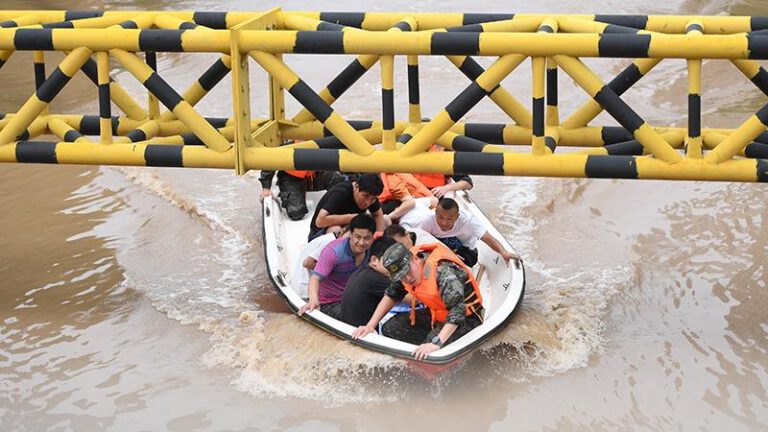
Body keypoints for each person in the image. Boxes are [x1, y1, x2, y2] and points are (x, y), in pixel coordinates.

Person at [351, 242, 484, 361]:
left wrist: (435, 343)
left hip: (466, 318)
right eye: (401, 276)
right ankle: (411, 356)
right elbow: (392, 294)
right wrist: (370, 326)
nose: (407, 278)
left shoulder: (443, 272)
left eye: (407, 271)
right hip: (436, 314)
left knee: (427, 354)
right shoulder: (403, 273)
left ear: (414, 259)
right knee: (391, 328)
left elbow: (457, 311)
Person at [298, 213, 376, 320]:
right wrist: (313, 300)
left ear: (373, 237)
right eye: (357, 237)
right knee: (359, 315)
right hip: (330, 303)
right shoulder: (334, 252)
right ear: (351, 235)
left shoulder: (374, 250)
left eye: (367, 238)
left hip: (357, 297)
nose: (361, 243)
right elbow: (315, 278)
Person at [420, 197, 519, 267]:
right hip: (439, 246)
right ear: (435, 213)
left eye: (449, 219)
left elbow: (488, 238)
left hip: (464, 251)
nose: (444, 223)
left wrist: (503, 252)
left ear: (457, 217)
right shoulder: (428, 220)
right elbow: (421, 240)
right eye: (440, 217)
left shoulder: (468, 221)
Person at [340, 236, 399, 326]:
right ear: (374, 260)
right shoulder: (376, 279)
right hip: (360, 331)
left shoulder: (364, 271)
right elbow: (411, 298)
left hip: (349, 325)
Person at [308, 173, 385, 241]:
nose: (368, 202)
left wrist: (378, 235)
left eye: (373, 199)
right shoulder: (341, 193)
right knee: (338, 231)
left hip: (350, 225)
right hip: (320, 232)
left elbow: (377, 215)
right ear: (356, 187)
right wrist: (351, 218)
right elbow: (320, 221)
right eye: (365, 196)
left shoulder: (371, 195)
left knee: (386, 220)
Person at [290, 227, 348, 299]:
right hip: (306, 291)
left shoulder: (328, 238)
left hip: (298, 287)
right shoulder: (330, 242)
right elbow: (308, 263)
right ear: (344, 231)